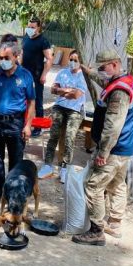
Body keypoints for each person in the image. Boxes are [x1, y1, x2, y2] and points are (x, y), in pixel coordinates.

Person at [72, 49, 133, 246]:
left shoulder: (119, 92)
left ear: (115, 64)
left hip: (114, 148)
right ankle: (115, 223)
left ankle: (96, 230)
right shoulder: (124, 81)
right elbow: (104, 82)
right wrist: (88, 71)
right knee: (117, 184)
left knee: (93, 186)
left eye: (103, 68)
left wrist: (103, 152)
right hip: (126, 146)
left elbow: (113, 126)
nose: (101, 71)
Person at [0, 42, 36, 202]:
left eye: (6, 58)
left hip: (15, 124)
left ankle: (11, 192)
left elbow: (31, 103)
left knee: (15, 161)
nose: (2, 60)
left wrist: (28, 125)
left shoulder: (25, 76)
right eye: (1, 57)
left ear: (16, 57)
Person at [38, 50, 89, 182]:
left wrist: (62, 91)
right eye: (70, 59)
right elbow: (53, 89)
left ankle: (65, 168)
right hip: (60, 107)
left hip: (75, 110)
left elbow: (77, 95)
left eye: (75, 60)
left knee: (69, 138)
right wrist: (67, 91)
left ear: (80, 62)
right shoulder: (62, 73)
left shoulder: (83, 76)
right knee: (53, 135)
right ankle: (47, 165)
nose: (72, 62)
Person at [21, 17, 54, 137]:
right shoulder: (25, 38)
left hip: (36, 76)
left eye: (32, 27)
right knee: (22, 100)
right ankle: (23, 124)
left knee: (37, 101)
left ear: (38, 28)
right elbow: (22, 54)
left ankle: (38, 128)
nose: (30, 29)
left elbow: (50, 58)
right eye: (28, 27)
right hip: (24, 75)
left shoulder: (43, 41)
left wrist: (44, 74)